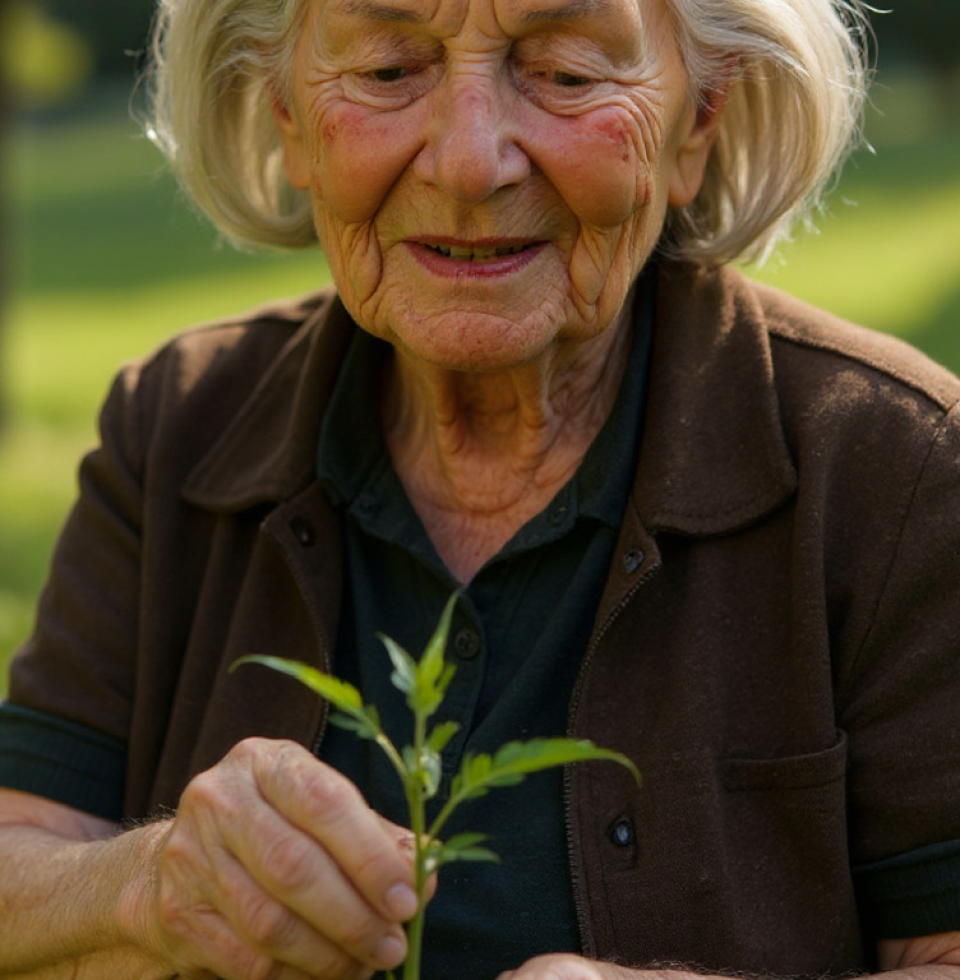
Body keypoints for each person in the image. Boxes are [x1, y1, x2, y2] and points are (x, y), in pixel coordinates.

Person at [1, 0, 959, 977]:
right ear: (287, 113)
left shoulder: (898, 470)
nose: (468, 161)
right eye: (386, 70)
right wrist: (148, 885)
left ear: (699, 120)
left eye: (567, 73)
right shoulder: (176, 428)